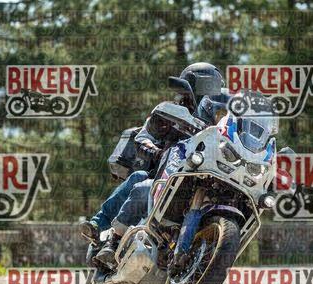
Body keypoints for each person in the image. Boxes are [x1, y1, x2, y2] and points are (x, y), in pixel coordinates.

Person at [80, 63, 227, 267]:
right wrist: (155, 151)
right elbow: (144, 136)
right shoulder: (171, 111)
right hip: (164, 176)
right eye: (206, 85)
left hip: (200, 179)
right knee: (141, 181)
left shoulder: (220, 127)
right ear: (189, 86)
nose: (210, 91)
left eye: (215, 87)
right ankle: (108, 235)